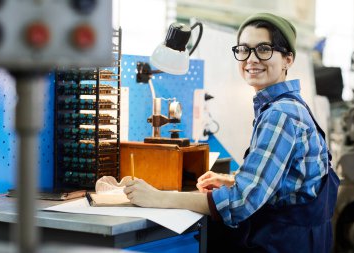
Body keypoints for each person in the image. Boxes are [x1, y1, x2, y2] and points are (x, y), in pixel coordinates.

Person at [124, 13, 340, 252]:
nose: (251, 59)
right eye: (244, 50)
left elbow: (240, 203)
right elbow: (291, 179)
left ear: (288, 59)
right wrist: (234, 179)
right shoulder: (290, 105)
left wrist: (158, 198)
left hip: (284, 243)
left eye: (264, 49)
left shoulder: (281, 114)